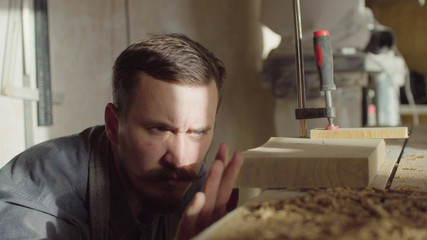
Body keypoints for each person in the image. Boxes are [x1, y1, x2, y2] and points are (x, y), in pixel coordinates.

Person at [0, 34, 244, 240]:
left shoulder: (187, 179)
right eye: (160, 129)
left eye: (197, 132)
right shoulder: (37, 203)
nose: (180, 159)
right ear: (114, 125)